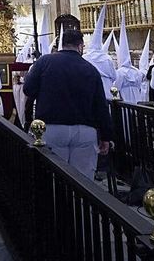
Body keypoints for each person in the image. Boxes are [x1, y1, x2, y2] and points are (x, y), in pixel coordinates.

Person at [21, 29, 113, 178]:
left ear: (61, 44)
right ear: (81, 46)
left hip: (52, 127)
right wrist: (106, 136)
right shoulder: (91, 69)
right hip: (84, 130)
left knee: (53, 174)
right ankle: (80, 202)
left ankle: (59, 201)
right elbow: (100, 106)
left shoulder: (44, 61)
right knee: (84, 179)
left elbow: (28, 89)